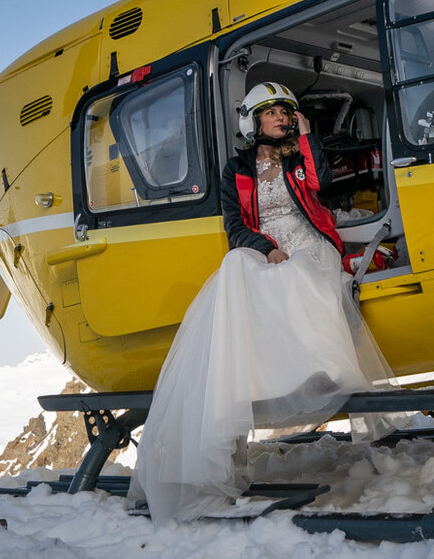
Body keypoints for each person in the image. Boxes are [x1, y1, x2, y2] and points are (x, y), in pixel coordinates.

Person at [129, 82, 390, 522]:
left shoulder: (299, 156)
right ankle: (241, 392)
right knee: (236, 265)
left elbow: (324, 185)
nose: (281, 119)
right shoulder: (237, 170)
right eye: (271, 113)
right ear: (252, 121)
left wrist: (308, 138)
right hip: (269, 247)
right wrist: (264, 248)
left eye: (286, 113)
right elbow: (234, 225)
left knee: (296, 275)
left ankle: (316, 373)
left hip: (310, 247)